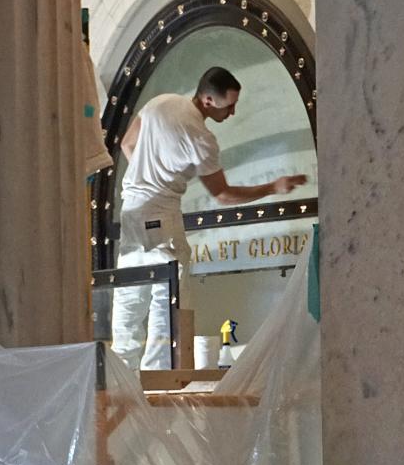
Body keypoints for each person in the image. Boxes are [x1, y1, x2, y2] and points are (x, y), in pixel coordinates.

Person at [110, 66, 307, 370]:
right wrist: (273, 187)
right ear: (208, 100)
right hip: (162, 214)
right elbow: (224, 195)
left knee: (129, 299)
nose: (232, 113)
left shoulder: (160, 103)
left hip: (132, 212)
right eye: (229, 106)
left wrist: (149, 176)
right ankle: (160, 381)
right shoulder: (201, 137)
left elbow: (127, 143)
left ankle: (119, 383)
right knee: (169, 298)